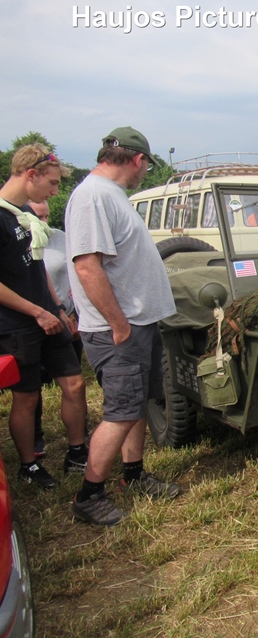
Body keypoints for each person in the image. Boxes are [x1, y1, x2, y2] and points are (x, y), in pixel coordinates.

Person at [65, 126, 180, 526]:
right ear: (137, 159)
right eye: (146, 166)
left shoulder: (110, 195)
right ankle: (89, 495)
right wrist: (118, 324)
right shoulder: (93, 196)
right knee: (120, 412)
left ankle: (134, 474)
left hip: (136, 322)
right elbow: (87, 266)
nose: (144, 173)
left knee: (135, 405)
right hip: (119, 328)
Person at [0, 144, 89, 488]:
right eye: (51, 183)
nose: (54, 192)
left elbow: (38, 269)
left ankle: (77, 451)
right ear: (31, 175)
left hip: (49, 317)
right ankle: (29, 465)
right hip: (17, 325)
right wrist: (36, 312)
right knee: (27, 397)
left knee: (76, 384)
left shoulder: (25, 214)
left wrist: (58, 308)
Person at [24, 199, 85, 456]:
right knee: (30, 390)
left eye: (47, 216)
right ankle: (34, 442)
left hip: (61, 317)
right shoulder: (18, 242)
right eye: (38, 216)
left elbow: (75, 273)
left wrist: (70, 311)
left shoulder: (60, 238)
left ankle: (78, 442)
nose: (44, 222)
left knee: (74, 383)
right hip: (27, 322)